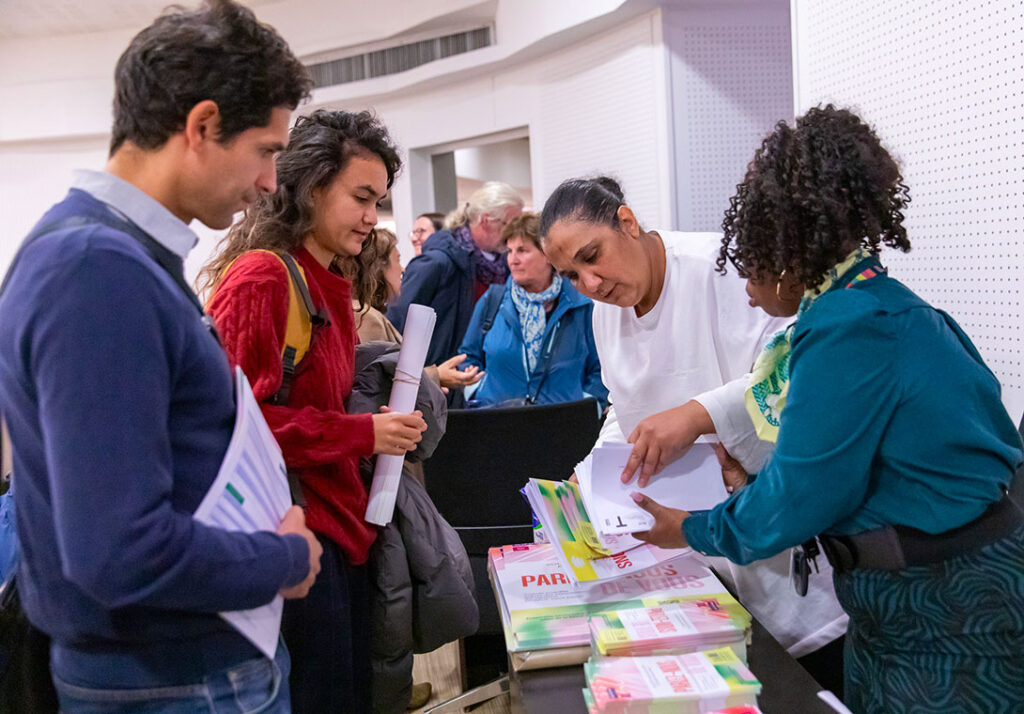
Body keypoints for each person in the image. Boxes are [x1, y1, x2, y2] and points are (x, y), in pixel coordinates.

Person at [629, 106, 1024, 713]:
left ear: (787, 251)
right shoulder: (877, 305)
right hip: (907, 601)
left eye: (749, 263)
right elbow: (856, 464)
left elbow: (802, 495)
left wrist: (691, 527)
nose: (745, 287)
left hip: (948, 611)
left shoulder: (850, 329)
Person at [0, 2, 322, 712]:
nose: (271, 181)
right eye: (267, 150)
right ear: (202, 126)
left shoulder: (113, 257)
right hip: (174, 679)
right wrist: (285, 559)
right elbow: (120, 551)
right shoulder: (94, 269)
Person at [539, 176, 849, 685]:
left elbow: (789, 383)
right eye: (571, 275)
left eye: (592, 256)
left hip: (782, 540)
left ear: (628, 222)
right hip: (697, 554)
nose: (590, 283)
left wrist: (697, 414)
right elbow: (627, 405)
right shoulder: (605, 313)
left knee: (804, 681)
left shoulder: (721, 271)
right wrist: (590, 472)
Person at [203, 110, 428, 714]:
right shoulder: (261, 279)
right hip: (300, 543)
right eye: (360, 197)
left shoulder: (324, 280)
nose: (370, 218)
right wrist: (364, 432)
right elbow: (231, 432)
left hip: (338, 534)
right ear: (308, 187)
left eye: (378, 202)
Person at [458, 212, 608, 409]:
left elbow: (601, 368)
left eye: (522, 250)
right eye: (510, 251)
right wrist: (478, 392)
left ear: (548, 255)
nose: (513, 260)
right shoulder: (492, 301)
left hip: (565, 426)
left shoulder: (581, 305)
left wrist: (590, 405)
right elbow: (467, 357)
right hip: (499, 424)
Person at [387, 182, 523, 367]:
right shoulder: (439, 262)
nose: (514, 233)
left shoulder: (504, 265)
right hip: (440, 380)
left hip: (479, 377)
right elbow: (398, 321)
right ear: (486, 220)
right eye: (510, 224)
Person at [342, 227, 482, 394]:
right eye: (397, 260)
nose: (402, 269)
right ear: (378, 267)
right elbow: (380, 383)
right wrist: (436, 375)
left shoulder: (369, 315)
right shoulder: (365, 317)